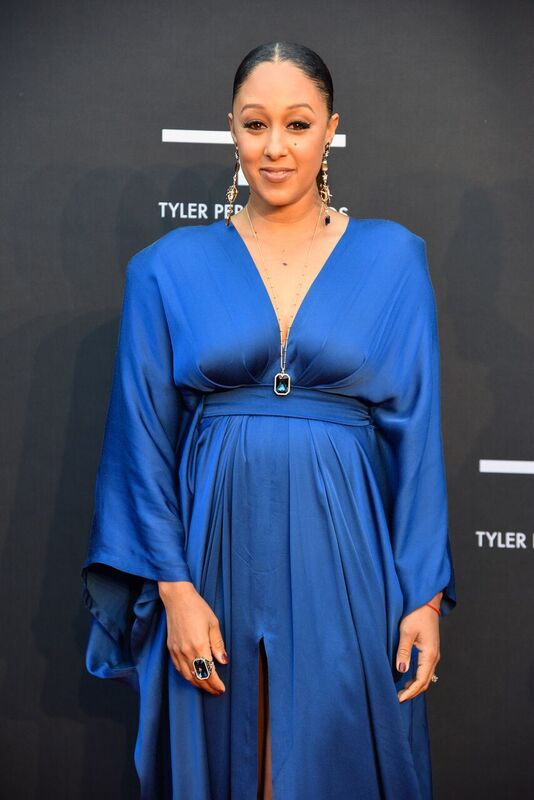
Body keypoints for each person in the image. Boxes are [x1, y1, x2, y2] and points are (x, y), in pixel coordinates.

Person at [81, 40, 457, 800]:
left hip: (347, 553)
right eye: (256, 125)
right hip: (212, 546)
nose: (275, 147)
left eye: (297, 124)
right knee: (226, 756)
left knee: (333, 753)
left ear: (330, 131)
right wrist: (176, 589)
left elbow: (415, 433)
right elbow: (141, 441)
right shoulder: (166, 267)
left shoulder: (393, 258)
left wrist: (422, 595)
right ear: (232, 130)